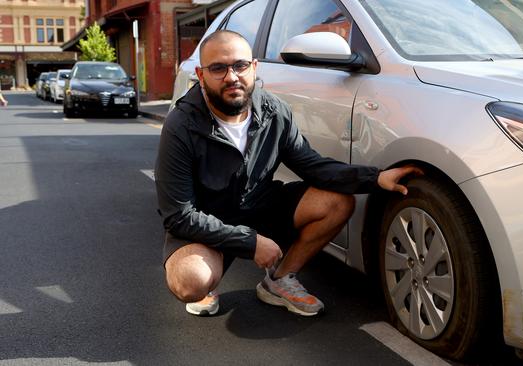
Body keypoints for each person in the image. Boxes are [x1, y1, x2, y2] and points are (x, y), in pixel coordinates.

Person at [155, 30, 420, 317]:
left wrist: (376, 177)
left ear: (254, 67)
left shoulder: (274, 112)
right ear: (201, 74)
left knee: (337, 202)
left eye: (240, 65)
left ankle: (279, 280)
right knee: (190, 280)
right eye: (218, 68)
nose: (231, 77)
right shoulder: (181, 124)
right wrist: (250, 242)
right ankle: (208, 282)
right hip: (207, 221)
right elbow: (178, 215)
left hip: (259, 206)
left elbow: (313, 166)